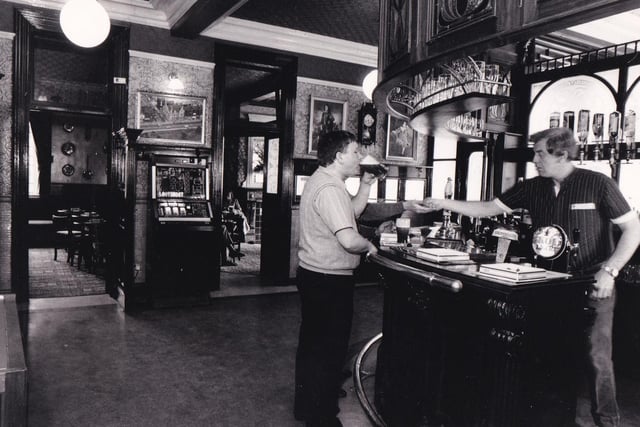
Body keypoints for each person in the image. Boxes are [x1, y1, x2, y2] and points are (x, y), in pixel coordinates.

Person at [422, 127, 640, 427]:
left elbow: (633, 229)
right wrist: (443, 203)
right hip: (548, 285)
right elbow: (488, 208)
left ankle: (608, 421)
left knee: (597, 358)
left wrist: (610, 270)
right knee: (550, 354)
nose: (534, 159)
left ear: (562, 153)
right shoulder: (532, 187)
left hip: (593, 284)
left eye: (540, 153)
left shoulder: (598, 184)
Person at [294, 130, 428, 427]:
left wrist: (366, 183)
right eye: (355, 152)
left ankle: (305, 406)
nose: (360, 158)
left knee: (313, 346)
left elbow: (352, 212)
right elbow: (347, 238)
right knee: (329, 351)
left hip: (315, 275)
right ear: (340, 155)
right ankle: (323, 418)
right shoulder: (329, 189)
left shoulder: (328, 182)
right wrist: (369, 245)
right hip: (328, 279)